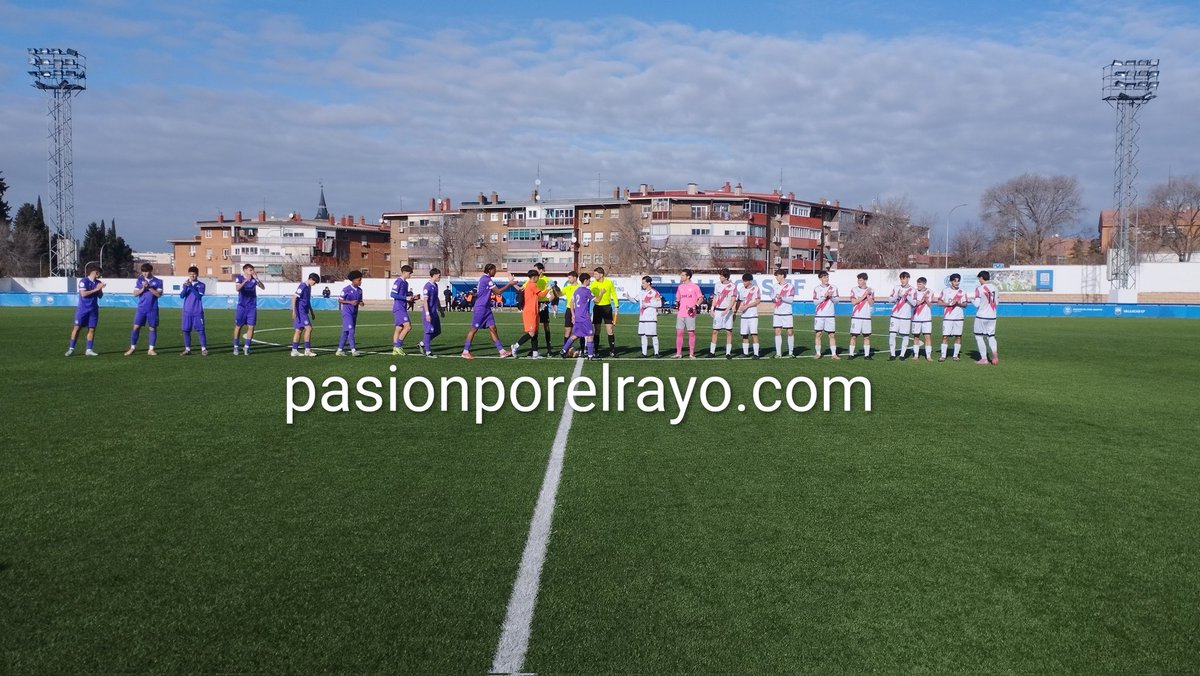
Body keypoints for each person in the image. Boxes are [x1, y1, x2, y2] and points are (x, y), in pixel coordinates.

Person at [462, 263, 517, 359]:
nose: (495, 271)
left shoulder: (486, 279)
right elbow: (498, 292)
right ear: (489, 270)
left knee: (493, 328)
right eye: (494, 270)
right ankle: (465, 351)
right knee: (474, 329)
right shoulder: (486, 279)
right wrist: (509, 284)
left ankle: (502, 351)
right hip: (481, 308)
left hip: (486, 308)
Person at [66, 262, 105, 357]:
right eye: (99, 273)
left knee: (92, 329)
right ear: (95, 272)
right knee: (77, 328)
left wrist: (100, 289)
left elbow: (100, 296)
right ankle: (71, 349)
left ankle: (89, 349)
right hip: (82, 309)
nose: (100, 276)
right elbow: (83, 294)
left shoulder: (98, 283)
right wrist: (96, 289)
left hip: (93, 309)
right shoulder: (84, 281)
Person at [125, 262, 163, 356]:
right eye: (143, 272)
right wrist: (143, 288)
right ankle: (132, 347)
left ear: (150, 271)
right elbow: (135, 293)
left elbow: (158, 294)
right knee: (136, 327)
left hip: (152, 308)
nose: (144, 273)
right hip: (141, 308)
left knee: (152, 328)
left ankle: (151, 349)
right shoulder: (139, 280)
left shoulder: (158, 281)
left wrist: (149, 287)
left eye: (146, 271)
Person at [511, 269, 550, 358]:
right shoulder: (532, 285)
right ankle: (515, 346)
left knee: (535, 332)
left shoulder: (529, 284)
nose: (538, 279)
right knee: (532, 333)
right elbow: (542, 295)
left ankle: (535, 353)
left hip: (533, 311)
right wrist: (549, 287)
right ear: (534, 277)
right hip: (530, 311)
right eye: (538, 277)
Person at [561, 272, 596, 359]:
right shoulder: (587, 291)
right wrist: (602, 293)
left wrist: (573, 314)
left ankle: (564, 350)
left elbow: (571, 302)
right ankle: (590, 355)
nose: (590, 282)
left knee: (576, 334)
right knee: (590, 335)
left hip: (577, 316)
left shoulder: (576, 290)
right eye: (589, 280)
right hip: (585, 317)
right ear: (585, 280)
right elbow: (597, 300)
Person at [233, 263, 264, 355]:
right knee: (238, 326)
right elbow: (237, 288)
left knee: (251, 327)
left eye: (252, 270)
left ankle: (246, 347)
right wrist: (244, 282)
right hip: (242, 307)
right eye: (250, 270)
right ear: (245, 270)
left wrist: (257, 279)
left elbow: (263, 287)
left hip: (252, 307)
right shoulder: (240, 278)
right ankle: (236, 347)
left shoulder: (254, 279)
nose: (252, 272)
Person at [590, 266, 619, 357]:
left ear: (601, 274)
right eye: (594, 274)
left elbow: (613, 294)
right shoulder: (593, 284)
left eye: (596, 274)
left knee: (609, 330)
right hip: (597, 308)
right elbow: (595, 298)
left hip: (607, 308)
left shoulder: (609, 283)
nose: (594, 276)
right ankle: (596, 350)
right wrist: (600, 293)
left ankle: (612, 350)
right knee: (597, 330)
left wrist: (616, 305)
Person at [938, 273, 968, 362]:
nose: (957, 283)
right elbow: (939, 303)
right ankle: (943, 355)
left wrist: (958, 303)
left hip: (959, 317)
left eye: (958, 281)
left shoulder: (962, 292)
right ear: (951, 281)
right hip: (948, 317)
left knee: (958, 336)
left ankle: (955, 355)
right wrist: (948, 304)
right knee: (945, 336)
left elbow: (965, 304)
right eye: (955, 281)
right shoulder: (945, 291)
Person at [179, 266, 208, 356]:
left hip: (197, 311)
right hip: (187, 311)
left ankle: (204, 349)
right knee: (186, 330)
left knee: (200, 330)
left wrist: (191, 286)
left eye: (194, 274)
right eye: (191, 274)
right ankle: (187, 349)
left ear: (197, 274)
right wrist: (186, 287)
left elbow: (198, 296)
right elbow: (182, 296)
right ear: (188, 274)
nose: (192, 276)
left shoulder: (201, 285)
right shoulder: (186, 284)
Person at [674, 269, 703, 359]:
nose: (681, 277)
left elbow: (700, 298)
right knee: (679, 333)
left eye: (683, 275)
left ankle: (691, 353)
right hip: (681, 313)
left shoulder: (695, 287)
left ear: (688, 276)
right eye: (681, 275)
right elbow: (678, 299)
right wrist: (677, 303)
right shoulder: (680, 287)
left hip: (690, 314)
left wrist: (695, 306)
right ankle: (678, 353)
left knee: (691, 333)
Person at [886, 271, 914, 361]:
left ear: (908, 278)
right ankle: (892, 354)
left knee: (905, 336)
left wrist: (907, 296)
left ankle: (902, 355)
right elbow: (890, 300)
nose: (902, 280)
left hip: (905, 317)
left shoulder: (912, 290)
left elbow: (914, 303)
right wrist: (897, 296)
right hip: (895, 315)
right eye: (901, 278)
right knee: (892, 334)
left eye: (904, 278)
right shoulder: (896, 287)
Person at [973, 270, 1000, 365]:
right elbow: (997, 303)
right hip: (992, 316)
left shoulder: (979, 289)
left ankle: (984, 359)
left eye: (979, 278)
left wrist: (971, 300)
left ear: (981, 278)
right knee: (991, 336)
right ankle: (995, 354)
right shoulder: (995, 288)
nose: (979, 281)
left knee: (979, 336)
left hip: (981, 316)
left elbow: (976, 304)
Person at [336, 270, 365, 356]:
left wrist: (361, 303)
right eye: (359, 280)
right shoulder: (346, 289)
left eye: (361, 280)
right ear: (353, 280)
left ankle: (339, 350)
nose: (360, 281)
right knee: (351, 330)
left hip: (354, 313)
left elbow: (360, 301)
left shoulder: (360, 290)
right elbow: (340, 300)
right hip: (347, 313)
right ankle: (353, 350)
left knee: (346, 332)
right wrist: (350, 302)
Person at [811, 270, 839, 360]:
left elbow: (837, 301)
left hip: (830, 315)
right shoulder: (816, 288)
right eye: (824, 277)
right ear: (820, 279)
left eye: (827, 277)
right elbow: (815, 302)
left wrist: (831, 297)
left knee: (831, 335)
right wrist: (824, 296)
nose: (826, 279)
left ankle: (834, 354)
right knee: (818, 334)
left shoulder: (833, 287)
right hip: (819, 315)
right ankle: (818, 353)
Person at [709, 269, 736, 358]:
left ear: (726, 277)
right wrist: (712, 308)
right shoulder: (717, 285)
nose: (720, 277)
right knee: (715, 331)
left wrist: (727, 310)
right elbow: (715, 297)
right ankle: (712, 352)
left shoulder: (732, 286)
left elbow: (733, 300)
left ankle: (728, 353)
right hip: (718, 311)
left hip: (727, 312)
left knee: (728, 332)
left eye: (721, 276)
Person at [291, 272, 320, 357]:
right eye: (314, 282)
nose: (314, 284)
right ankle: (307, 350)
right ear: (311, 279)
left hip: (304, 310)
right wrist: (294, 311)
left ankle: (294, 350)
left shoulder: (309, 287)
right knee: (309, 328)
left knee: (299, 330)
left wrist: (311, 311)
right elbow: (294, 297)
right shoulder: (302, 286)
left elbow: (307, 301)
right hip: (300, 311)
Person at [847, 272, 875, 360]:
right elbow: (853, 302)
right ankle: (851, 354)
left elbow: (871, 304)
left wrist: (868, 295)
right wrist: (864, 296)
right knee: (854, 336)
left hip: (866, 317)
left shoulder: (871, 290)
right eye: (858, 280)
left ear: (865, 280)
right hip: (856, 317)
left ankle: (866, 355)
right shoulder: (854, 289)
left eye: (860, 280)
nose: (859, 282)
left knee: (866, 336)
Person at [735, 272, 762, 359]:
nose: (744, 283)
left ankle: (756, 354)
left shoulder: (755, 289)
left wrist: (747, 306)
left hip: (753, 315)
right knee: (744, 334)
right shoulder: (742, 289)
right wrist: (736, 310)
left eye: (746, 281)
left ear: (750, 281)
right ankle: (745, 353)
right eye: (743, 281)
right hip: (744, 316)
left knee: (754, 334)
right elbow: (739, 301)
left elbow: (758, 301)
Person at [391, 265, 415, 356]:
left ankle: (394, 349)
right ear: (404, 272)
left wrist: (411, 298)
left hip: (403, 307)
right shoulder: (398, 281)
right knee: (408, 327)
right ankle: (398, 346)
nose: (410, 275)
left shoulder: (406, 283)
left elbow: (405, 297)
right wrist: (406, 297)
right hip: (399, 308)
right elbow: (392, 294)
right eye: (409, 273)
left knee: (399, 328)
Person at [909, 276, 935, 362]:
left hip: (926, 319)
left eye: (920, 284)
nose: (918, 285)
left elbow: (931, 305)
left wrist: (926, 299)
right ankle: (916, 355)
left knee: (927, 337)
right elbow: (913, 304)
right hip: (916, 318)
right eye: (917, 283)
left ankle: (928, 356)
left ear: (924, 284)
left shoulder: (930, 292)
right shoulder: (914, 292)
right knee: (916, 337)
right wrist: (921, 300)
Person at [420, 268, 444, 358]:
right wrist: (427, 313)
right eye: (439, 275)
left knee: (437, 331)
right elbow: (425, 301)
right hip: (429, 313)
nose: (440, 277)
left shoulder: (436, 286)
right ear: (434, 275)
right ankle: (428, 352)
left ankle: (422, 343)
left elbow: (436, 298)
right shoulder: (427, 286)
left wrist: (441, 310)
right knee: (429, 331)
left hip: (434, 312)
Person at [771, 269, 795, 358]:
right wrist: (774, 298)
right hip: (777, 312)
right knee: (777, 332)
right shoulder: (774, 286)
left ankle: (791, 352)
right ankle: (778, 353)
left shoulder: (790, 286)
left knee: (789, 332)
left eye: (777, 275)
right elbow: (772, 297)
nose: (776, 277)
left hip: (787, 313)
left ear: (782, 275)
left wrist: (781, 297)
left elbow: (791, 300)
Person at [637, 275, 663, 357]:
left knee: (653, 335)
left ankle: (656, 352)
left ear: (648, 283)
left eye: (644, 283)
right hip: (642, 317)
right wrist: (627, 296)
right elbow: (635, 300)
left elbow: (659, 304)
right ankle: (644, 353)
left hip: (651, 317)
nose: (642, 284)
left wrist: (648, 304)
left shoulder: (655, 292)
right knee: (643, 335)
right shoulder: (641, 293)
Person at [533, 262, 555, 354]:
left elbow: (554, 294)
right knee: (534, 327)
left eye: (536, 269)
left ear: (541, 270)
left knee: (546, 325)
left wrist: (546, 302)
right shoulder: (532, 279)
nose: (534, 271)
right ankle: (534, 349)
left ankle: (549, 347)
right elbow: (522, 289)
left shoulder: (548, 280)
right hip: (534, 305)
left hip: (543, 304)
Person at [561, 270, 580, 347]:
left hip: (578, 310)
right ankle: (565, 348)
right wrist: (553, 288)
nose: (568, 280)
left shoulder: (580, 287)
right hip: (569, 310)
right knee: (567, 330)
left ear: (575, 278)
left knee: (580, 331)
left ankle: (583, 349)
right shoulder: (567, 287)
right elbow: (559, 294)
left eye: (570, 278)